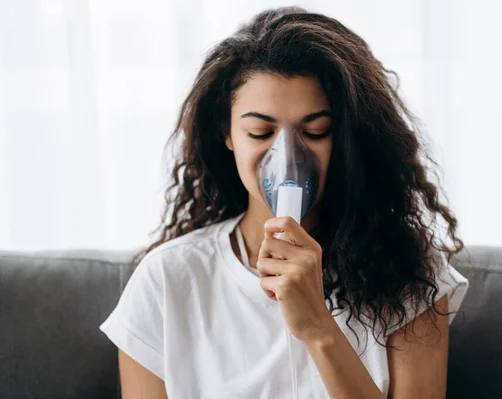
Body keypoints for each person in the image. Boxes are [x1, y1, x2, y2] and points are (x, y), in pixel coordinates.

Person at [99, 6, 469, 399]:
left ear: (345, 136)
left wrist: (318, 327)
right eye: (260, 132)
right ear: (228, 133)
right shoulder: (168, 281)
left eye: (315, 130)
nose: (288, 156)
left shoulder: (411, 275)